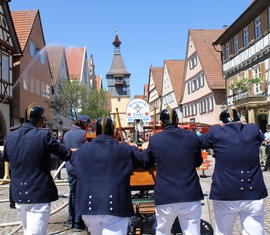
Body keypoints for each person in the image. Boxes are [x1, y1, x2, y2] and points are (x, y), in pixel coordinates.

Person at [1, 103, 72, 235]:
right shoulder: (43, 136)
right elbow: (65, 154)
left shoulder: (10, 137)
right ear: (41, 119)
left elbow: (6, 158)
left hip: (19, 194)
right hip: (38, 193)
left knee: (28, 230)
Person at [70, 115, 143, 235]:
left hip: (88, 209)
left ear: (95, 132)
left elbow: (74, 162)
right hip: (114, 207)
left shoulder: (82, 150)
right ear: (113, 131)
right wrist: (134, 148)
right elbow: (142, 161)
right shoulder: (124, 149)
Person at [199, 108, 268, 235]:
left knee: (223, 232)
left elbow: (198, 142)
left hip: (226, 192)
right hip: (253, 192)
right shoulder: (252, 129)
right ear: (239, 120)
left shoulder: (216, 132)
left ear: (222, 122)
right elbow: (260, 137)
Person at [141, 106, 203, 235]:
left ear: (161, 123)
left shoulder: (155, 140)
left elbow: (147, 163)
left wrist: (146, 148)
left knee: (163, 231)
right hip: (189, 193)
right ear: (177, 121)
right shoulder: (192, 137)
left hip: (166, 195)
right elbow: (198, 162)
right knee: (192, 231)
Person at [63, 114, 90, 231]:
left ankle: (70, 220)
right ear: (84, 123)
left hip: (69, 167)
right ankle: (78, 223)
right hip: (82, 168)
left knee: (72, 193)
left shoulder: (67, 134)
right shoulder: (84, 134)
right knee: (81, 194)